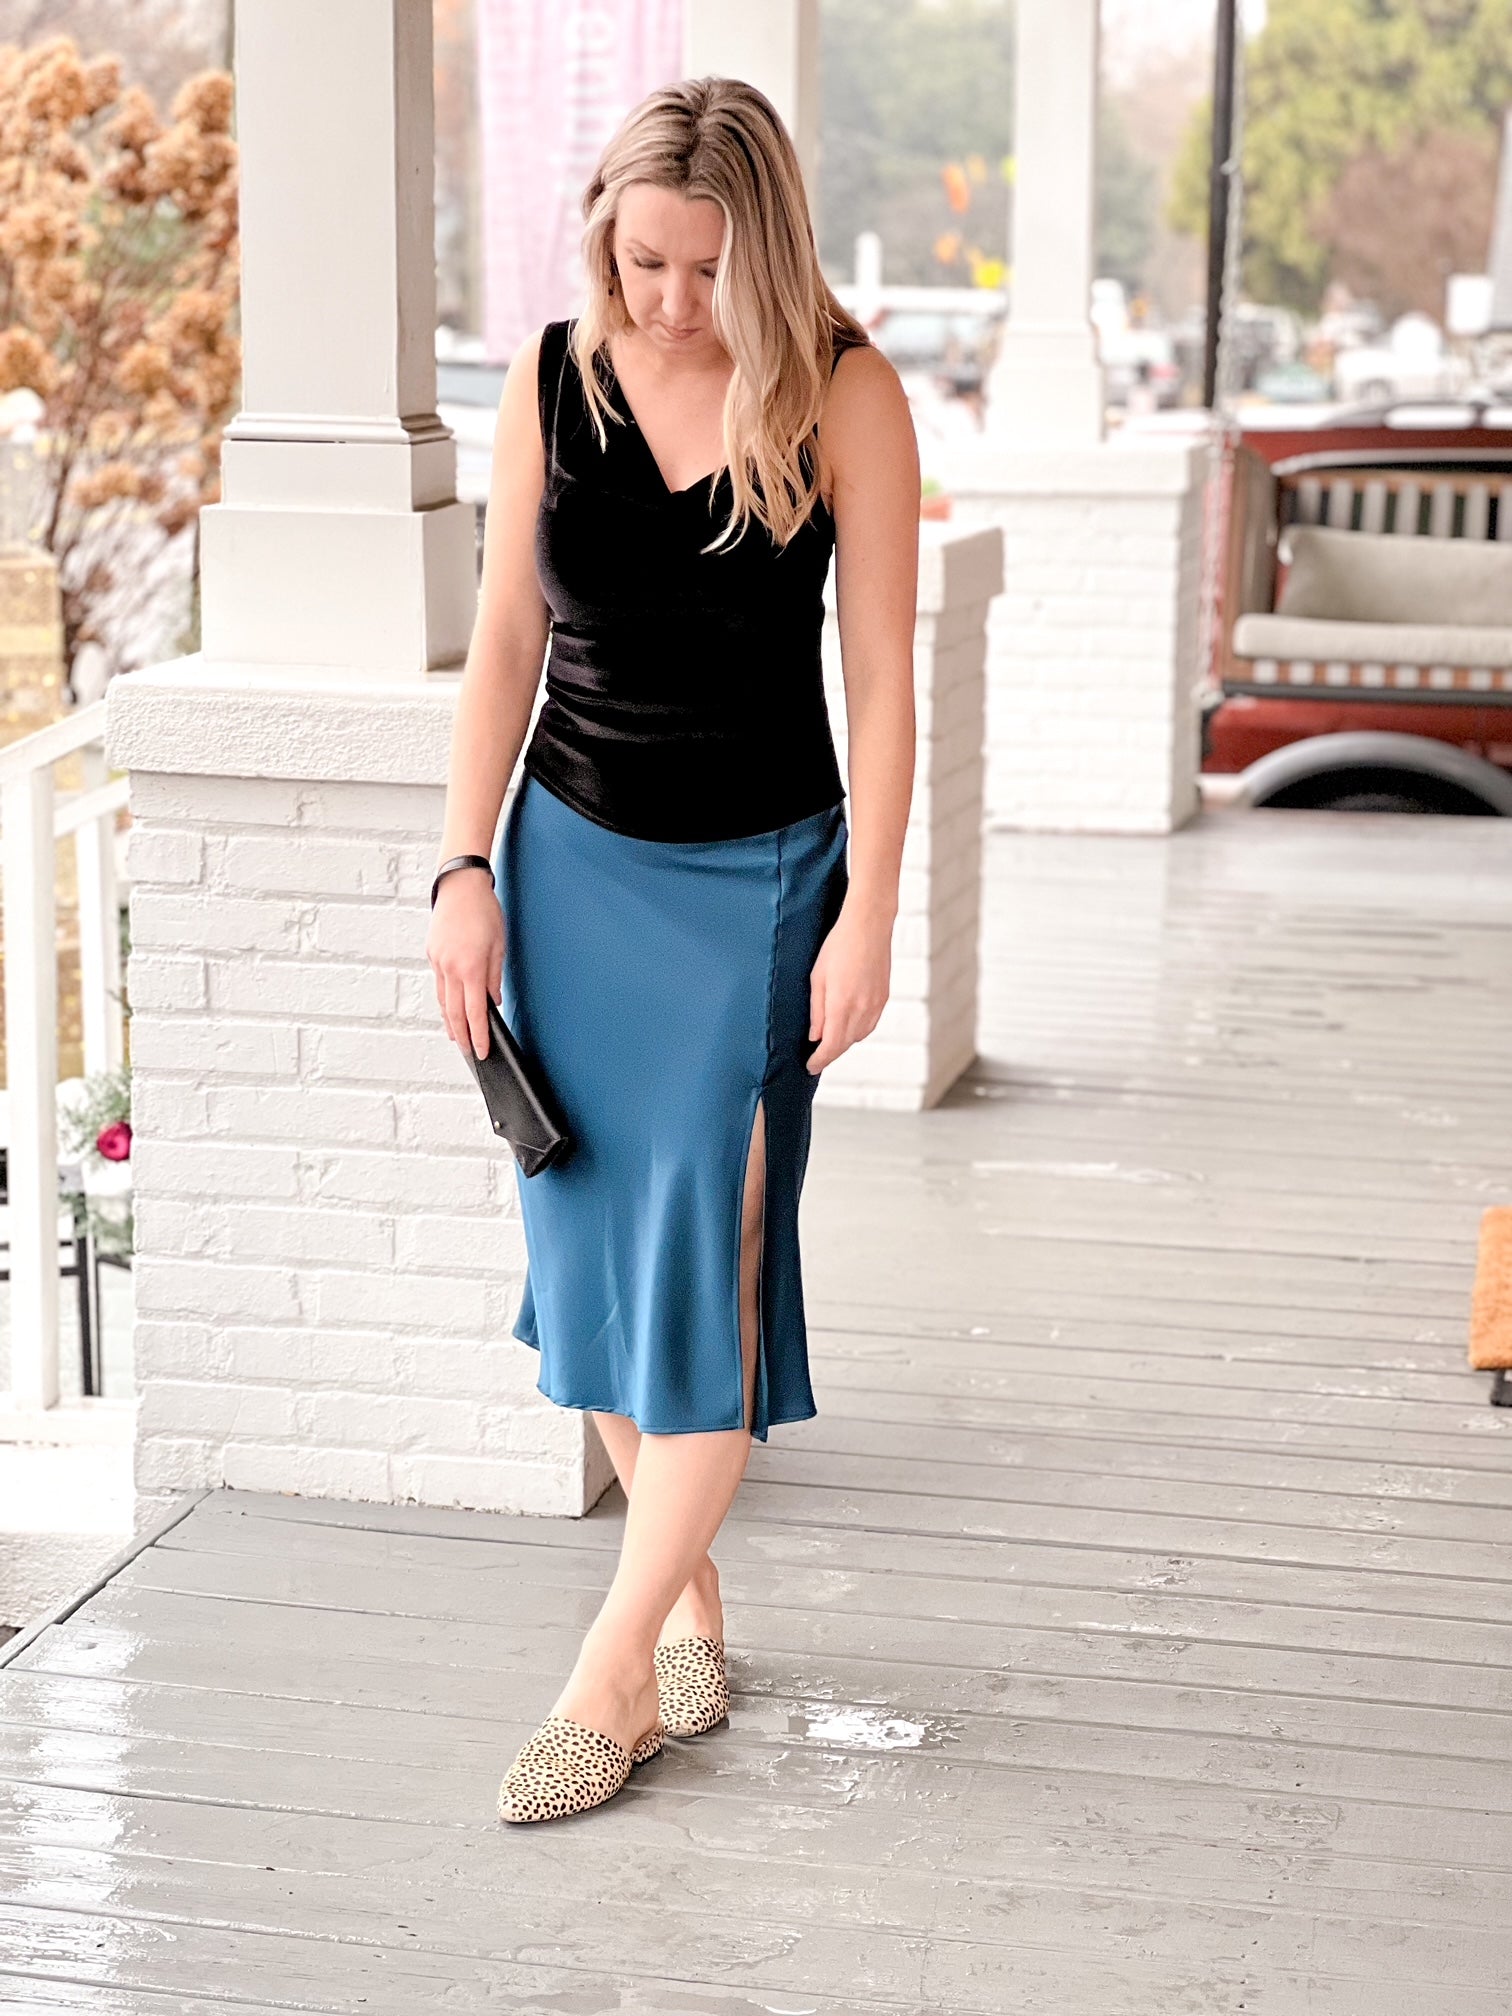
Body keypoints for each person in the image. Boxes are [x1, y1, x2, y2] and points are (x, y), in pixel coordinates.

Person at [426, 74, 918, 1825]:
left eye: (709, 268)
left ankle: (605, 1674)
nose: (673, 299)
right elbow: (504, 639)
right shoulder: (551, 378)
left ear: (766, 253)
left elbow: (884, 678)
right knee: (596, 1277)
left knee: (702, 1279)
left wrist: (871, 914)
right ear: (604, 239)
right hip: (567, 873)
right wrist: (464, 868)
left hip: (761, 886)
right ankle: (688, 1607)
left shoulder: (845, 388)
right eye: (645, 261)